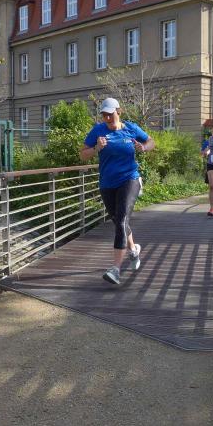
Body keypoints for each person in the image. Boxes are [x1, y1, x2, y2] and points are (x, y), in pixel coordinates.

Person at [80, 98, 155, 285]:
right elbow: (83, 154)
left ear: (118, 112)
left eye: (110, 114)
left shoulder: (131, 128)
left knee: (121, 220)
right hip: (107, 183)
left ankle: (116, 269)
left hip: (129, 179)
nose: (107, 118)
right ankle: (134, 249)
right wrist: (96, 148)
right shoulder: (98, 131)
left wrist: (144, 147)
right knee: (118, 221)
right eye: (104, 115)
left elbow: (151, 141)